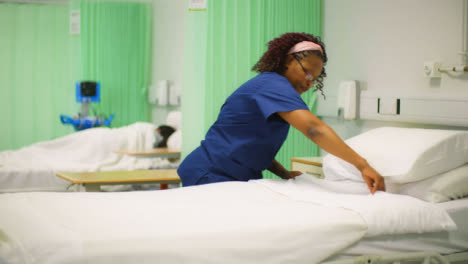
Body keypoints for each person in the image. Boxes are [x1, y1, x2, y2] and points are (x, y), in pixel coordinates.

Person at [178, 32, 385, 194]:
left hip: (226, 174)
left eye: (315, 78)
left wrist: (284, 173)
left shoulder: (272, 88)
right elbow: (314, 129)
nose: (309, 82)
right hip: (212, 173)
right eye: (306, 72)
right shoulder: (273, 85)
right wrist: (363, 165)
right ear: (288, 61)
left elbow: (253, 146)